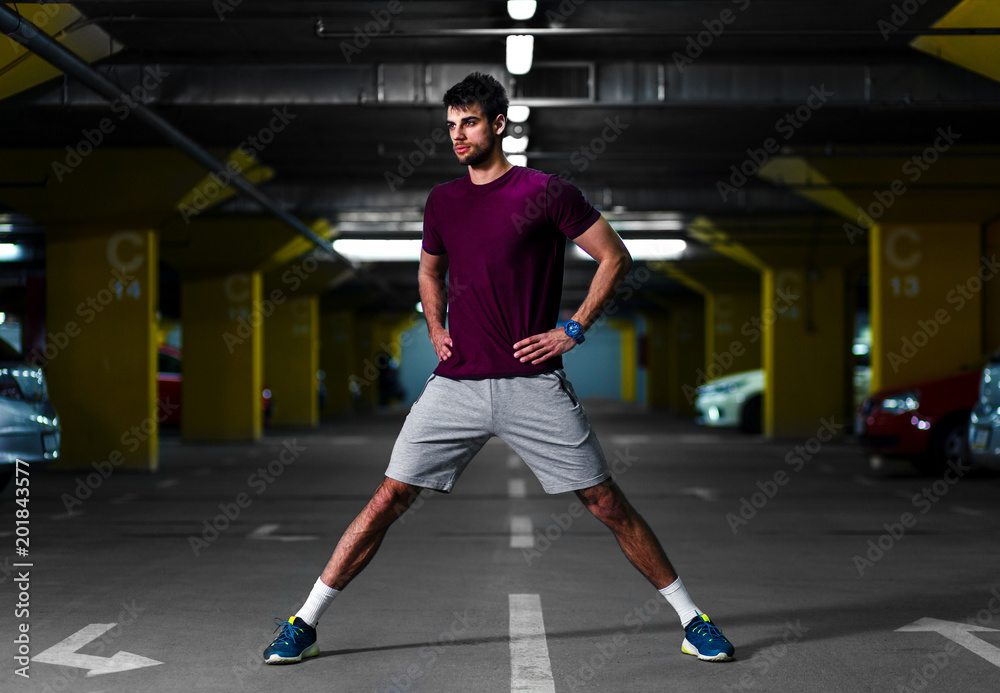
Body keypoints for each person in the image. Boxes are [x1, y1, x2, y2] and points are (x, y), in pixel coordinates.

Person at [264, 72, 734, 667]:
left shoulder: (547, 192)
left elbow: (615, 256)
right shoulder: (442, 201)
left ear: (498, 125)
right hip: (455, 385)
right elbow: (429, 272)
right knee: (389, 496)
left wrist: (573, 328)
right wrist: (435, 328)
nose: (458, 136)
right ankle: (303, 623)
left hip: (532, 384)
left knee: (605, 501)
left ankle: (694, 620)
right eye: (451, 126)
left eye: (469, 123)